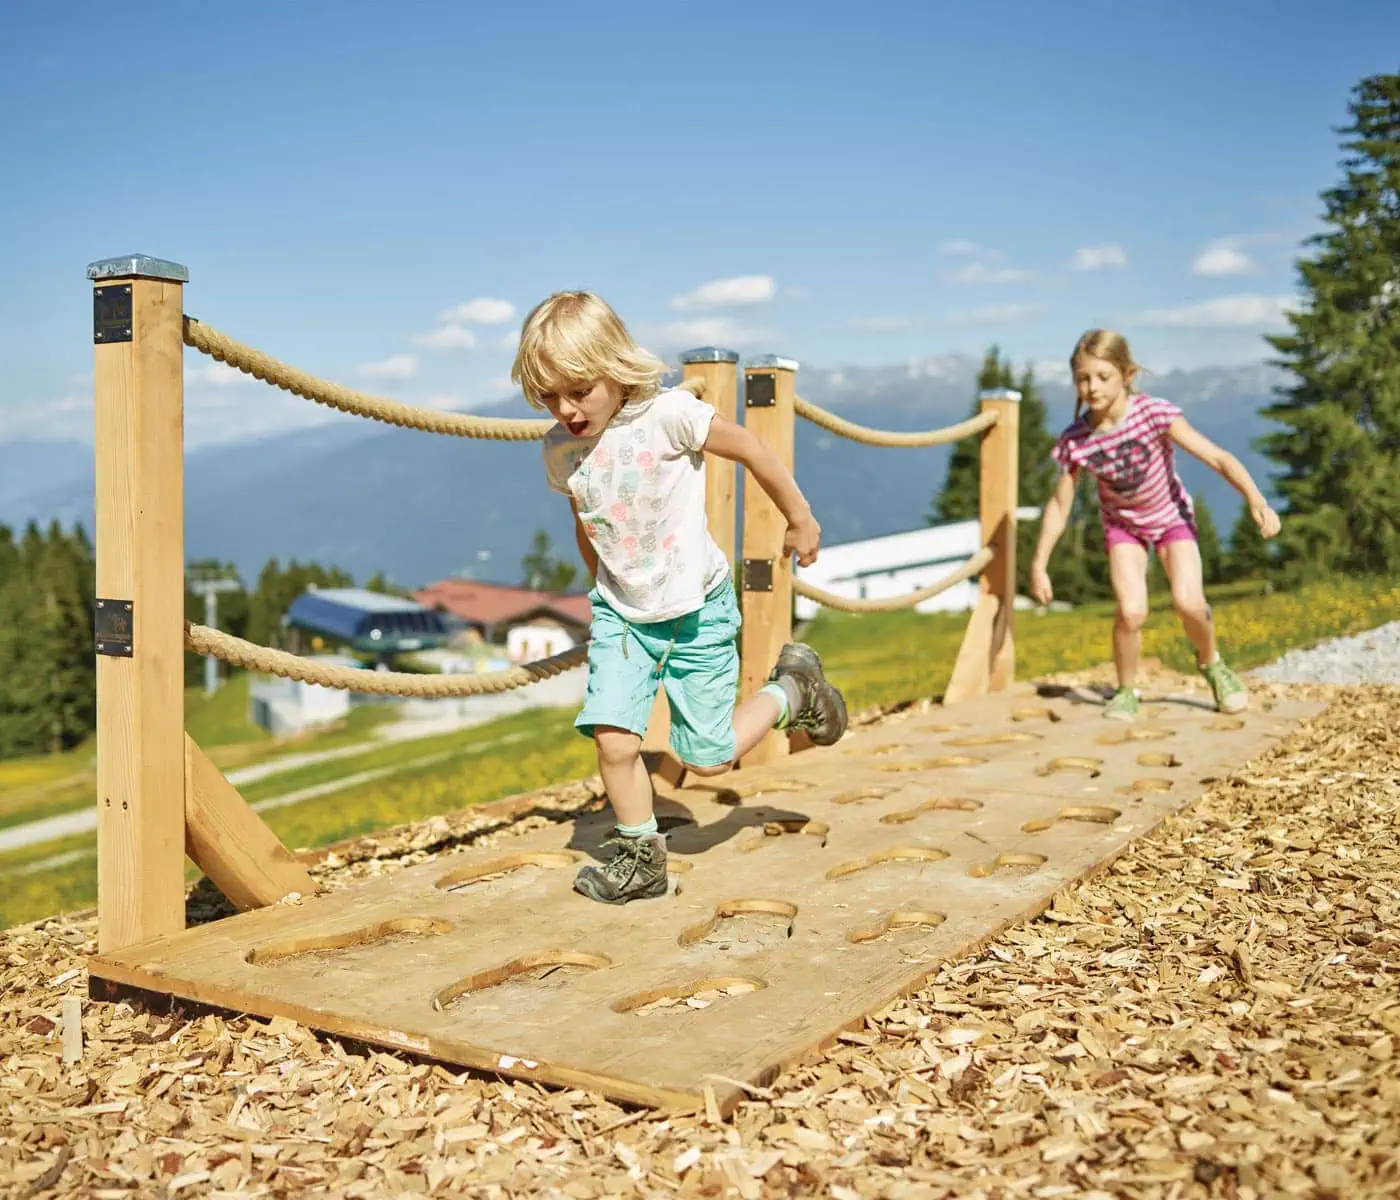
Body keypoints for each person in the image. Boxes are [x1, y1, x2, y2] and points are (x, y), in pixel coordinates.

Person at [512, 291, 848, 904]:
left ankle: (793, 690)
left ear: (616, 370)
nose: (565, 409)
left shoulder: (668, 415)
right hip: (622, 615)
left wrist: (799, 518)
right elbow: (586, 519)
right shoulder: (561, 447)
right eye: (548, 397)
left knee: (709, 757)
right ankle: (642, 858)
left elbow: (753, 450)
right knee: (614, 740)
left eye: (579, 391)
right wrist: (601, 583)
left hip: (697, 608)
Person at [1029, 329, 1281, 721]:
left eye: (1103, 377)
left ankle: (1212, 663)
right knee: (1131, 612)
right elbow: (1060, 505)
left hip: (1170, 518)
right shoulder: (1076, 440)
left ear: (1127, 374)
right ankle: (1126, 690)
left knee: (1189, 603)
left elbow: (1216, 457)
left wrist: (1255, 499)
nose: (1092, 387)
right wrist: (1039, 564)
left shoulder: (1154, 414)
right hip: (1123, 527)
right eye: (1083, 378)